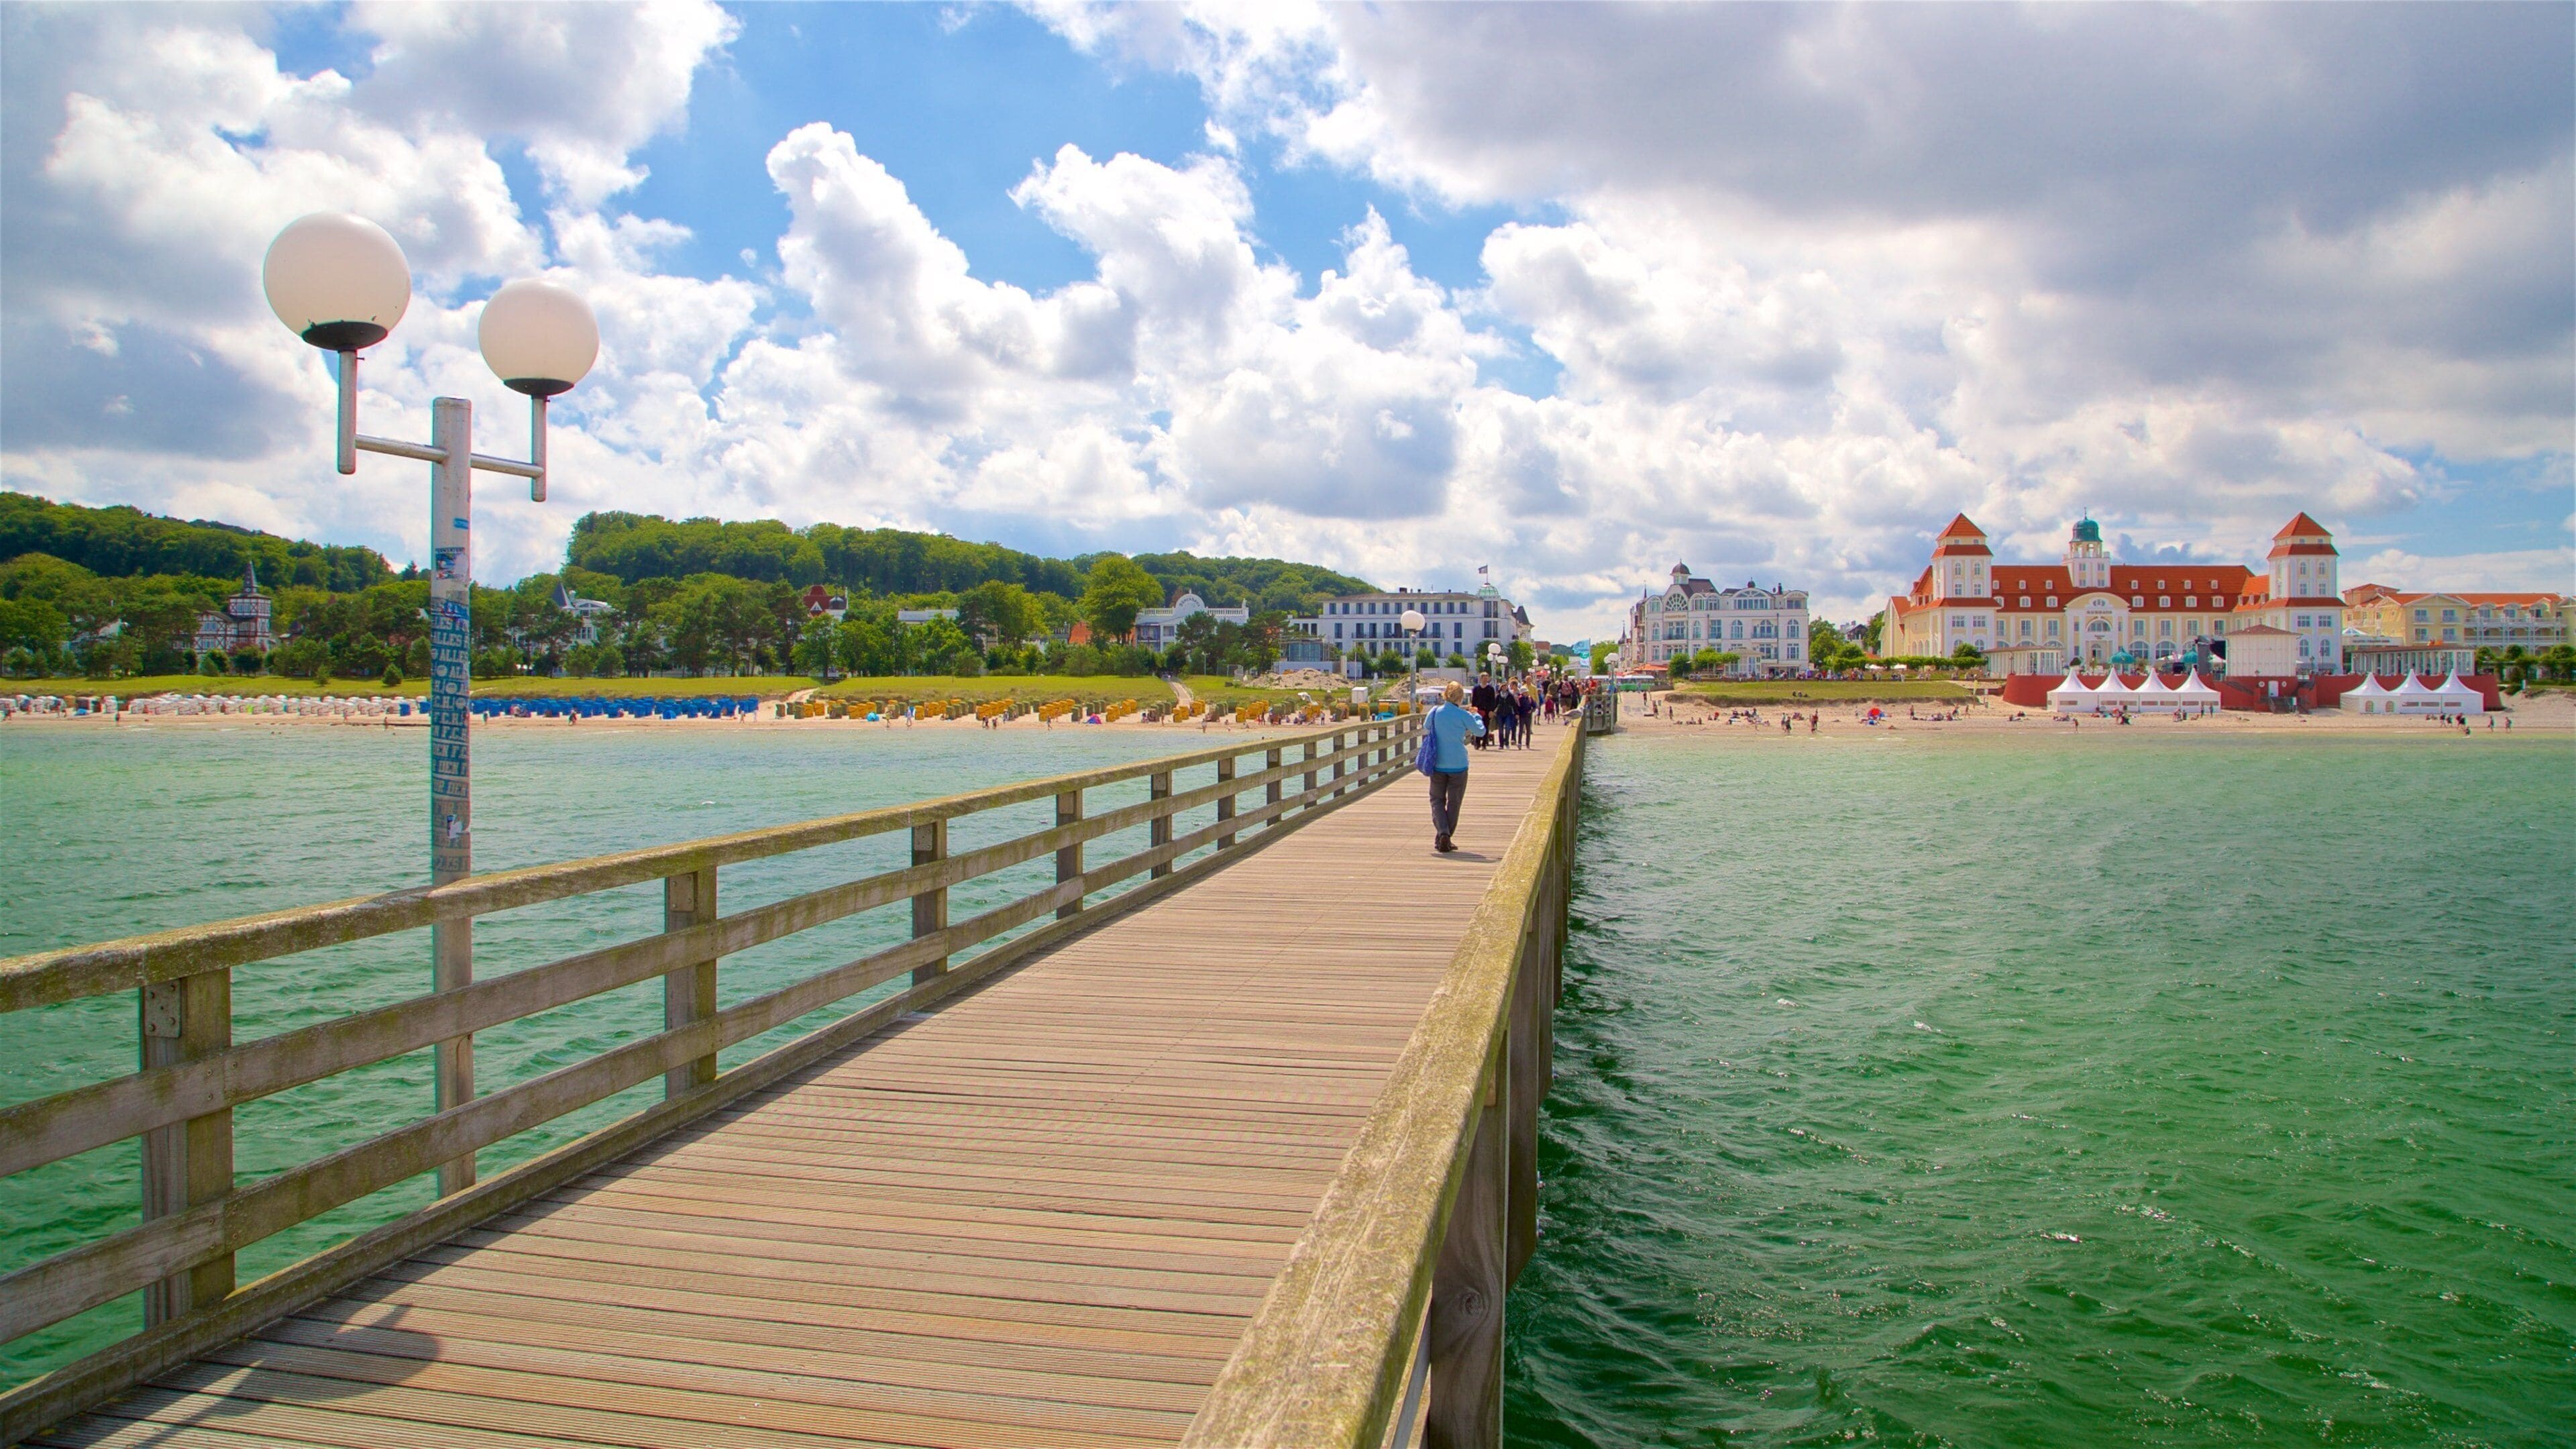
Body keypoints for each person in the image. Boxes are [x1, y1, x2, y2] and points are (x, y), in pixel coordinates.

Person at [1424, 680, 1486, 852]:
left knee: (1436, 800)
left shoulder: (1435, 712)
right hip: (1458, 764)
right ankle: (1446, 836)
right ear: (1460, 698)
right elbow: (1480, 732)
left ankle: (1443, 833)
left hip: (1438, 763)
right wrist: (1476, 716)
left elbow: (1426, 726)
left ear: (1445, 694)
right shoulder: (1463, 715)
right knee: (1454, 802)